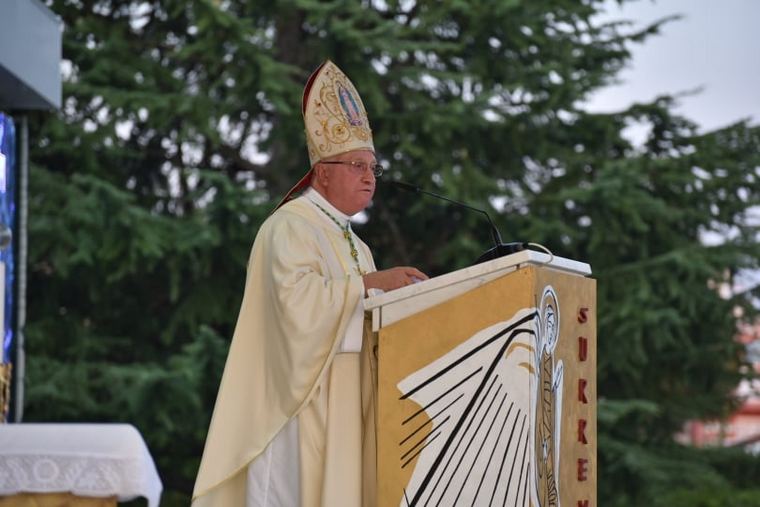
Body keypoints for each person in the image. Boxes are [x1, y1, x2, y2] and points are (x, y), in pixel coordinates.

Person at [192, 60, 428, 507]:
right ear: (322, 172)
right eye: (356, 165)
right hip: (301, 406)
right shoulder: (289, 226)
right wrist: (368, 285)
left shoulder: (357, 244)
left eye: (373, 168)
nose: (369, 177)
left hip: (348, 402)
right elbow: (293, 306)